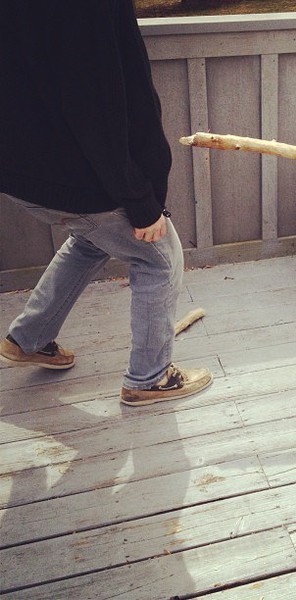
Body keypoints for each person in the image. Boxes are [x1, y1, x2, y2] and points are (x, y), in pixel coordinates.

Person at [0, 0, 213, 406]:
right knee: (159, 258)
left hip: (20, 171)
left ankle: (28, 338)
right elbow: (97, 106)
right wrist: (141, 200)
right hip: (75, 172)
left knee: (92, 237)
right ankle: (148, 379)